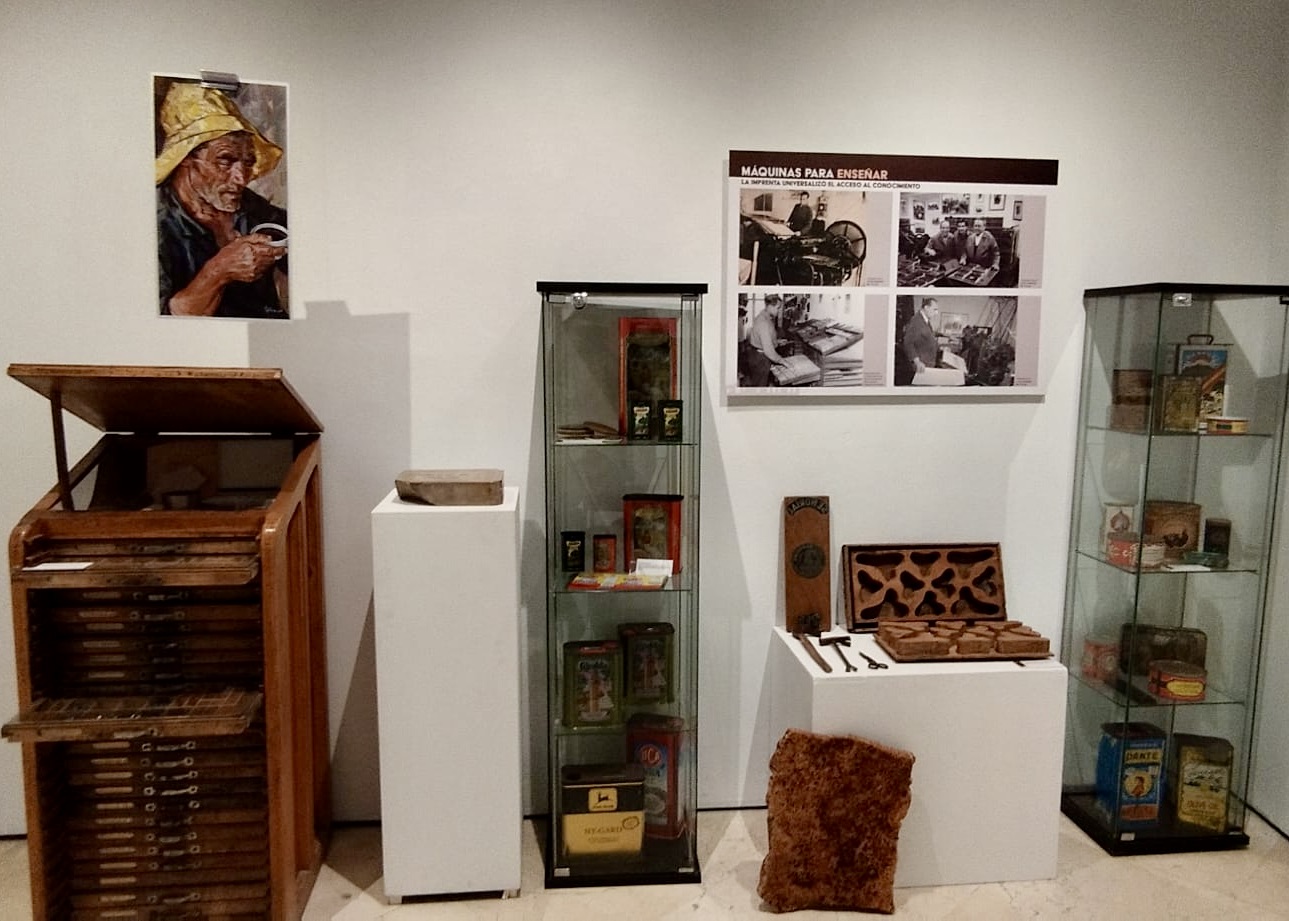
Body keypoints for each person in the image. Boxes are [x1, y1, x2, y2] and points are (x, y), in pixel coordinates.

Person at [155, 83, 289, 318]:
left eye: (248, 163)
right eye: (225, 160)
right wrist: (219, 270)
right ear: (185, 158)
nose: (241, 178)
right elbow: (165, 319)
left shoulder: (252, 207)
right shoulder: (156, 220)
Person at [745, 294, 788, 386]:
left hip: (758, 355)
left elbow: (764, 337)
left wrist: (776, 342)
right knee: (760, 387)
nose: (779, 311)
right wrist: (782, 361)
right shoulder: (763, 322)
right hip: (760, 358)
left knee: (759, 383)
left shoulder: (765, 317)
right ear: (770, 306)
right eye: (778, 308)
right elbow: (768, 351)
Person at [902, 297, 940, 374]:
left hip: (928, 363)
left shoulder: (925, 320)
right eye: (934, 309)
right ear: (926, 308)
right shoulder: (916, 321)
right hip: (921, 366)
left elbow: (927, 336)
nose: (936, 313)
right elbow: (908, 343)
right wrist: (917, 362)